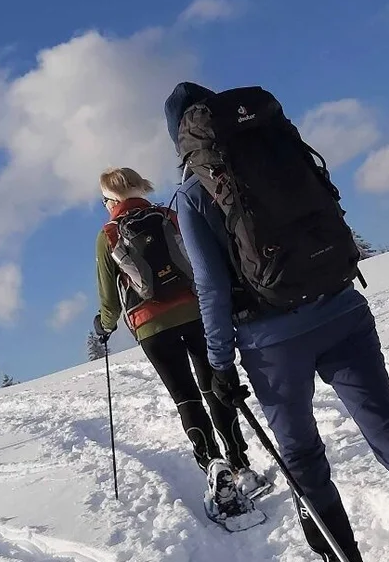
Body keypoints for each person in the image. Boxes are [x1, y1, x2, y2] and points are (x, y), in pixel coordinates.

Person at [162, 82, 389, 562]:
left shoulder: (191, 197)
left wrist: (220, 364)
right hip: (343, 308)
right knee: (387, 423)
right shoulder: (274, 147)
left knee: (301, 454)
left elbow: (211, 288)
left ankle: (339, 556)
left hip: (273, 343)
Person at [92, 167, 269, 516]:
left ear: (110, 200)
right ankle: (240, 464)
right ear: (140, 187)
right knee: (215, 386)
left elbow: (109, 300)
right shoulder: (168, 214)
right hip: (196, 311)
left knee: (185, 397)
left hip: (151, 327)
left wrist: (105, 325)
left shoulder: (109, 233)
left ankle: (214, 466)